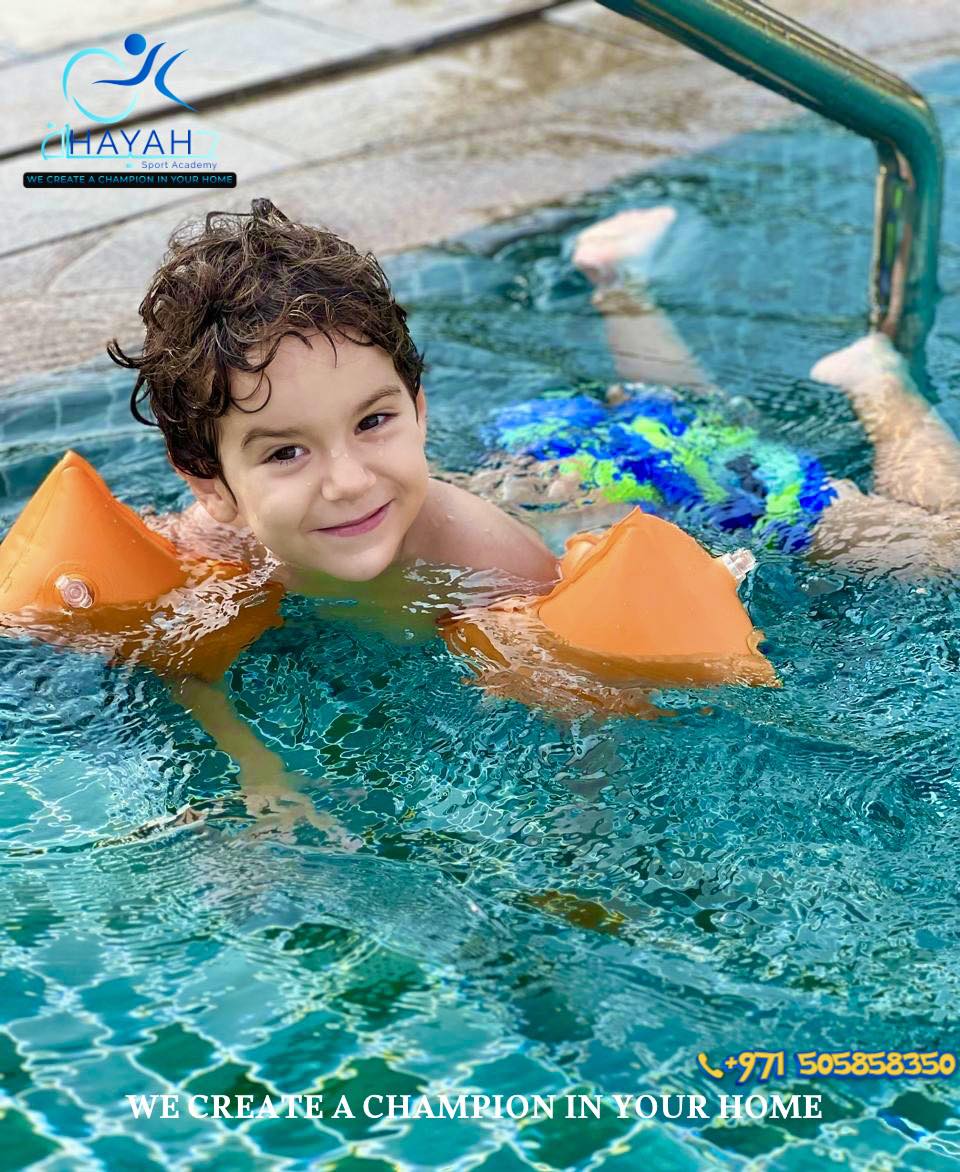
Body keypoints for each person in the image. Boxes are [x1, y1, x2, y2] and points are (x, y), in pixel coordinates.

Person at [469, 206, 960, 580]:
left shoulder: (459, 532)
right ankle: (616, 281)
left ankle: (874, 377)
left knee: (685, 428)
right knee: (679, 418)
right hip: (579, 466)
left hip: (588, 484)